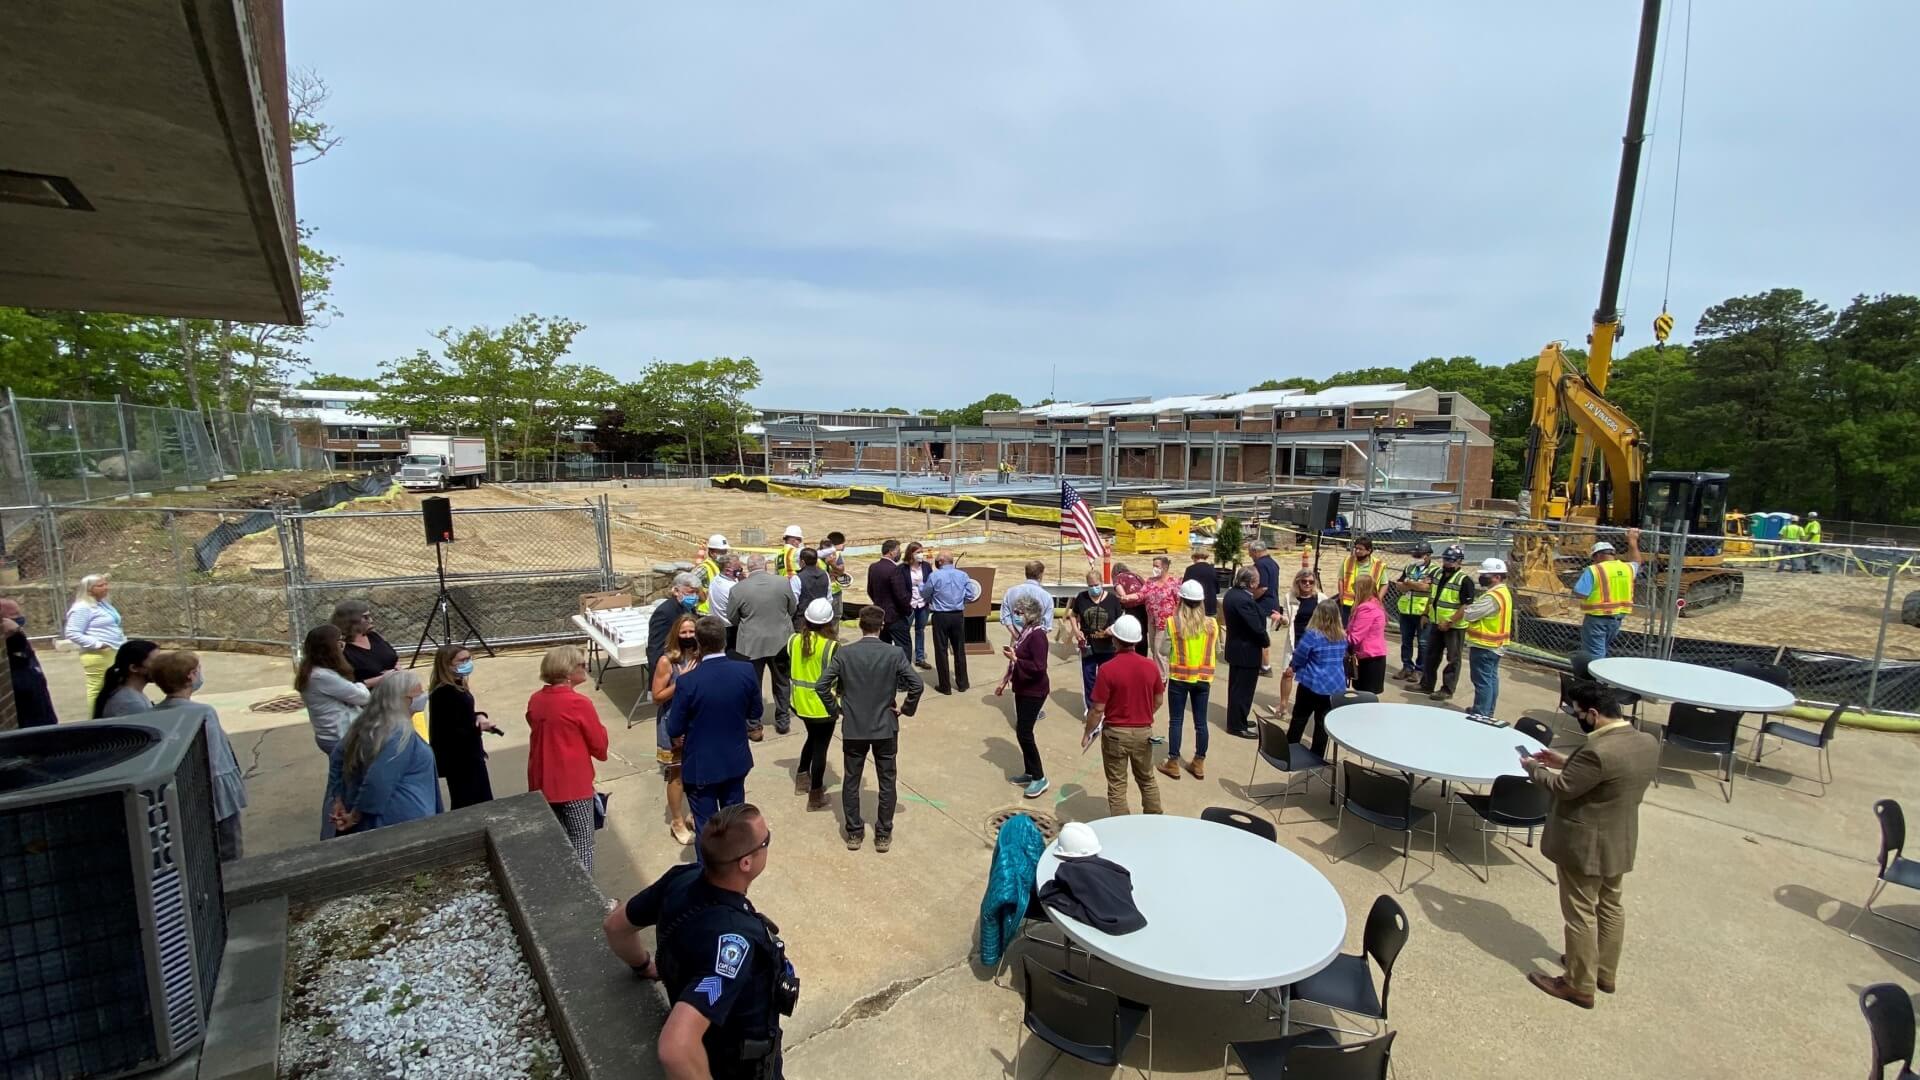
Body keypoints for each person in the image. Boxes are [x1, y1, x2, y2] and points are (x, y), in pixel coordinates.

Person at [604, 803, 794, 1080]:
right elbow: (676, 1047)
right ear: (746, 862)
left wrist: (644, 966)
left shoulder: (680, 879)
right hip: (736, 1067)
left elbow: (615, 926)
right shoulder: (734, 945)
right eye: (766, 841)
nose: (768, 844)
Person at [1522, 682, 1660, 1009]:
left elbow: (1563, 787)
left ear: (1594, 714)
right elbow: (1607, 773)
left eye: (1578, 713)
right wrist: (1565, 760)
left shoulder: (1597, 752)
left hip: (1585, 844)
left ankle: (1578, 984)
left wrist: (1534, 769)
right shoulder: (1646, 741)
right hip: (1620, 839)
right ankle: (1604, 972)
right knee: (1611, 905)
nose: (1576, 717)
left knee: (1580, 913)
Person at [817, 605, 922, 853]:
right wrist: (905, 709)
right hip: (885, 727)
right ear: (882, 626)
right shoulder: (894, 654)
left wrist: (836, 709)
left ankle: (854, 832)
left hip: (854, 727)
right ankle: (883, 834)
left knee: (851, 780)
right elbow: (916, 685)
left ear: (861, 625)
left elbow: (822, 686)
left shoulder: (845, 653)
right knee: (887, 781)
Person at [667, 616, 761, 854]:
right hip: (734, 761)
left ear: (698, 642)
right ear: (724, 639)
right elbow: (755, 711)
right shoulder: (745, 670)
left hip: (701, 767)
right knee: (733, 823)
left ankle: (707, 878)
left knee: (706, 827)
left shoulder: (687, 682)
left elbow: (674, 728)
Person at [148, 650, 246, 860]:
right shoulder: (203, 712)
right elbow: (212, 755)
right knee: (228, 847)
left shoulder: (153, 714)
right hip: (214, 791)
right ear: (191, 675)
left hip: (179, 791)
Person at [527, 645, 610, 872]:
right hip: (573, 785)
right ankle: (586, 899)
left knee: (557, 843)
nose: (585, 668)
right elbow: (599, 747)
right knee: (583, 842)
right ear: (567, 671)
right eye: (581, 665)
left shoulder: (536, 699)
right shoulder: (579, 703)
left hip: (542, 782)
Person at [328, 672, 441, 835]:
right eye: (418, 694)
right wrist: (354, 816)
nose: (423, 697)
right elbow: (378, 780)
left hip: (380, 819)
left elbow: (336, 758)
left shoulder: (364, 725)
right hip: (399, 822)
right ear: (401, 700)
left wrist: (338, 798)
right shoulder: (400, 734)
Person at [1084, 615, 1164, 816]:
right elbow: (1159, 700)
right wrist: (1145, 713)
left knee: (1117, 785)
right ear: (1137, 641)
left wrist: (1088, 732)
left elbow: (1097, 709)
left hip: (1115, 734)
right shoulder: (1150, 666)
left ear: (1115, 640)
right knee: (1147, 779)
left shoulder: (1107, 669)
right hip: (1143, 732)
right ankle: (1155, 820)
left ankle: (1121, 826)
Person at [732, 555, 797, 739]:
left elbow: (732, 616)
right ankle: (783, 720)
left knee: (753, 685)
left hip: (752, 644)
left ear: (748, 568)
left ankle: (754, 725)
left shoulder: (738, 589)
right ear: (766, 566)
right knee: (782, 682)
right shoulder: (783, 583)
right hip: (780, 641)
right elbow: (792, 608)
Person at [427, 643, 498, 811]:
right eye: (462, 660)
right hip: (459, 759)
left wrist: (479, 716)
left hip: (469, 754)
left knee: (479, 798)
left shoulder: (457, 685)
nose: (467, 663)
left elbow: (462, 716)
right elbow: (450, 731)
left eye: (468, 659)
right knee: (468, 801)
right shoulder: (444, 693)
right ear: (447, 664)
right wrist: (478, 728)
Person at [651, 613, 702, 846]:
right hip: (674, 721)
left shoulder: (699, 655)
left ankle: (693, 813)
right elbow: (657, 697)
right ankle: (677, 821)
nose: (688, 636)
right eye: (684, 633)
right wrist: (682, 681)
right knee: (677, 774)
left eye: (692, 632)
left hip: (696, 720)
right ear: (676, 634)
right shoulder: (666, 661)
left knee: (696, 770)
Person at [1159, 579, 1215, 780]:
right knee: (1201, 722)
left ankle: (1173, 761)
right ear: (1201, 602)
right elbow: (1215, 650)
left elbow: (1163, 650)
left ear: (1180, 600)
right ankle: (1199, 762)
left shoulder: (1173, 623)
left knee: (1176, 720)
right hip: (1203, 678)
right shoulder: (1212, 624)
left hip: (1179, 678)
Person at [788, 599, 841, 812]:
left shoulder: (793, 640)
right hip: (823, 706)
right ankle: (815, 793)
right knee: (821, 748)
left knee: (812, 737)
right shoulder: (831, 646)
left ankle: (802, 775)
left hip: (800, 703)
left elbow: (784, 664)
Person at [1002, 594, 1052, 799]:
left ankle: (1039, 777)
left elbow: (1039, 667)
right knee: (1022, 732)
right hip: (1022, 688)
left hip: (1034, 690)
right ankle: (1030, 771)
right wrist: (1003, 681)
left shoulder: (1038, 636)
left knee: (1025, 732)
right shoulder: (1026, 632)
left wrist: (1016, 658)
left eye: (1019, 613)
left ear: (1030, 614)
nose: (1016, 616)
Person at [1285, 601, 1349, 758]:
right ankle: (1317, 755)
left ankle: (1290, 748)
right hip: (1334, 685)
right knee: (1322, 722)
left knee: (1300, 717)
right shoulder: (1342, 636)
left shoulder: (1312, 635)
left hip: (1312, 683)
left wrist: (1292, 667)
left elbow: (1300, 655)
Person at [296, 625, 367, 752]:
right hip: (339, 737)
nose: (343, 645)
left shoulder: (313, 669)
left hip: (332, 736)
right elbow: (363, 697)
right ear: (329, 647)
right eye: (340, 641)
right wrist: (361, 684)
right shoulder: (321, 676)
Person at [1457, 557, 1513, 718]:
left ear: (1496, 576)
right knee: (1490, 679)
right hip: (1494, 644)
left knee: (1482, 681)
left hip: (1486, 645)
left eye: (1485, 575)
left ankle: (1481, 713)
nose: (1482, 577)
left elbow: (1470, 614)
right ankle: (1487, 711)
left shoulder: (1493, 596)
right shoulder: (1502, 592)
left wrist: (1469, 608)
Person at [1419, 546, 1476, 703]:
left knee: (1453, 659)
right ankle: (1426, 684)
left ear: (1459, 562)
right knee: (1431, 655)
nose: (1447, 563)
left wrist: (1450, 621)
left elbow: (1466, 606)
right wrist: (1425, 613)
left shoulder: (1465, 581)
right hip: (1436, 623)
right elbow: (1432, 596)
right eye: (1445, 559)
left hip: (1454, 627)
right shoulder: (1437, 574)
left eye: (1451, 561)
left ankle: (1447, 689)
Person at [922, 551, 982, 694]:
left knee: (941, 651)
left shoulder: (934, 576)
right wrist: (959, 601)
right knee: (959, 650)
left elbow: (925, 594)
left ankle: (945, 686)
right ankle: (962, 683)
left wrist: (933, 600)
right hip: (957, 615)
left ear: (941, 561)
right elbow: (971, 594)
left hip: (940, 616)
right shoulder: (963, 575)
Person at [1574, 530, 1641, 660]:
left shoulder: (1594, 570)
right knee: (1601, 648)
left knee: (1595, 653)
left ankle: (1595, 679)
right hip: (1617, 619)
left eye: (1593, 558)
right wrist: (1633, 541)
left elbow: (1580, 592)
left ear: (1597, 556)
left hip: (1597, 619)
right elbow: (1636, 561)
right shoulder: (1627, 568)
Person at [1220, 566, 1269, 739]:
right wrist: (1265, 641)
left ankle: (1239, 718)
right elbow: (1255, 627)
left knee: (1237, 688)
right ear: (1251, 582)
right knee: (1242, 691)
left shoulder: (1233, 594)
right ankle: (1236, 725)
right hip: (1245, 651)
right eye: (1256, 579)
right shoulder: (1243, 600)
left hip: (1238, 649)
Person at [64, 573, 126, 705]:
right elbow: (72, 632)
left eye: (106, 584)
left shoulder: (102, 604)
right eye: (100, 585)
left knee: (115, 688)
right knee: (98, 690)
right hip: (98, 655)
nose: (106, 587)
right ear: (89, 589)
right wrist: (98, 644)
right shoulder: (82, 608)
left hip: (113, 650)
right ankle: (96, 720)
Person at [1068, 568, 1123, 712]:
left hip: (1108, 647)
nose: (1094, 588)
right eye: (1090, 585)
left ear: (1102, 583)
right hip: (1088, 646)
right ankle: (1091, 707)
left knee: (1109, 678)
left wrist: (1111, 630)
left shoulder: (1112, 600)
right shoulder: (1081, 598)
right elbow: (1073, 615)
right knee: (1089, 677)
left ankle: (1109, 706)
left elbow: (1120, 620)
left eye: (1096, 585)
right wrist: (1075, 630)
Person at [1, 598, 57, 727]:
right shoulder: (12, 645)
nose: (19, 619)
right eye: (14, 615)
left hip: (43, 712)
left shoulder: (21, 641)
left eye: (19, 613)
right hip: (28, 719)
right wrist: (16, 634)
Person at [1392, 542, 1435, 681]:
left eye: (1420, 555)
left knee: (1423, 642)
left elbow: (1426, 588)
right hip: (1406, 611)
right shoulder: (1409, 567)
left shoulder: (1434, 570)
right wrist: (1412, 585)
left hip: (1423, 612)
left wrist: (1409, 584)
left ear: (1428, 555)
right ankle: (1407, 667)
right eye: (1415, 555)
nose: (1416, 557)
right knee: (1406, 641)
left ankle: (1419, 670)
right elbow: (1399, 585)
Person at [332, 599, 398, 685]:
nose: (371, 620)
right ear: (351, 621)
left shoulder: (373, 636)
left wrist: (397, 669)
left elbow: (393, 658)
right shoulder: (341, 648)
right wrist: (382, 679)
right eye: (365, 617)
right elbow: (347, 686)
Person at [649, 572, 702, 679]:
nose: (694, 596)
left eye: (696, 593)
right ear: (676, 591)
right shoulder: (665, 612)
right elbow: (656, 648)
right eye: (690, 592)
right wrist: (662, 676)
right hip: (672, 671)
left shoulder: (689, 608)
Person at [865, 539, 912, 658]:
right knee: (904, 648)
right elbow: (901, 595)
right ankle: (903, 675)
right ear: (891, 552)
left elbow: (870, 590)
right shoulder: (894, 570)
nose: (900, 553)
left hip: (880, 616)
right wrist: (908, 610)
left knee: (884, 649)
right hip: (896, 617)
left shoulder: (873, 567)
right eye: (898, 551)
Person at [95, 638, 159, 717]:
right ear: (134, 668)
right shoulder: (131, 703)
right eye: (156, 662)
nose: (161, 665)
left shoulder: (130, 694)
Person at [1347, 575, 1389, 694]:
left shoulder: (1367, 608)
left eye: (1354, 586)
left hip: (1370, 659)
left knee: (1366, 696)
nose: (1353, 589)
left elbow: (1355, 637)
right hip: (1372, 657)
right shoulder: (1375, 603)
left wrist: (1334, 638)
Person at [999, 560, 1056, 646]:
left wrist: (1017, 636)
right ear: (1040, 575)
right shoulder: (1047, 597)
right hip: (1036, 643)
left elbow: (1005, 618)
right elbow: (1046, 625)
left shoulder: (1010, 592)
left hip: (1016, 640)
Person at [1140, 556, 1180, 675]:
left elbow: (1179, 602)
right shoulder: (1150, 581)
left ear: (1165, 567)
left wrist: (1174, 618)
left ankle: (1161, 678)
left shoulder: (1174, 583)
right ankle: (1157, 674)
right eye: (1153, 566)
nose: (1154, 569)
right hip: (1152, 621)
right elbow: (1141, 594)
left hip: (1165, 623)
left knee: (1159, 651)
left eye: (1157, 566)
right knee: (1153, 650)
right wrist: (1127, 597)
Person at [1336, 537, 1387, 624]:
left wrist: (1378, 599)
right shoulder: (1348, 561)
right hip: (1349, 603)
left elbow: (1384, 584)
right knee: (1347, 628)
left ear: (1369, 551)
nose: (1357, 551)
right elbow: (1341, 579)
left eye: (1360, 549)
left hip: (1368, 604)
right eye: (1356, 548)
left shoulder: (1378, 565)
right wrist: (1341, 596)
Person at [1249, 539, 1282, 673]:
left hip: (1264, 605)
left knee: (1262, 636)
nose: (1250, 556)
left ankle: (1265, 665)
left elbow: (1262, 587)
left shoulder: (1260, 565)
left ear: (1256, 551)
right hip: (1273, 603)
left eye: (1251, 553)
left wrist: (1251, 598)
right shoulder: (1273, 563)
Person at [903, 541, 933, 669]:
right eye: (918, 552)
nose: (921, 554)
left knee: (920, 630)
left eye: (922, 552)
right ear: (911, 553)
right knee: (905, 631)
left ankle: (920, 658)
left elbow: (931, 582)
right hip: (909, 604)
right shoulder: (903, 568)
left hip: (923, 604)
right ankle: (904, 658)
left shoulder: (926, 566)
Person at [1110, 561, 1149, 657]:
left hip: (1133, 608)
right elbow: (1145, 589)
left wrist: (1121, 598)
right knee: (1143, 634)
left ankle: (1134, 656)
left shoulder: (1117, 578)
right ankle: (1143, 657)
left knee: (1133, 632)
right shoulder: (1136, 575)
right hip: (1144, 606)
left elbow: (1123, 595)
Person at [789, 548, 832, 631]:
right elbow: (829, 598)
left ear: (802, 562)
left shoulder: (797, 578)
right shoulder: (825, 574)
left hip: (802, 622)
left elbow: (794, 602)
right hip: (822, 621)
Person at [818, 530, 849, 619]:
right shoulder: (816, 555)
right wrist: (832, 566)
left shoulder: (837, 554)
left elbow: (841, 571)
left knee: (836, 616)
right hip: (822, 593)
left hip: (835, 592)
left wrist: (832, 564)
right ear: (836, 545)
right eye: (843, 543)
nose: (844, 545)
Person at [696, 534, 729, 614]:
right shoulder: (705, 567)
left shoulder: (720, 566)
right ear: (711, 553)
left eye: (725, 552)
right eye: (721, 552)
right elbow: (690, 581)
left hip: (717, 611)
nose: (724, 555)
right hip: (706, 612)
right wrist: (702, 596)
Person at [1182, 549, 1219, 618]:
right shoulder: (1212, 569)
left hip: (1195, 607)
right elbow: (1217, 589)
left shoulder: (1190, 569)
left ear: (1194, 557)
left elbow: (1185, 588)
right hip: (1210, 606)